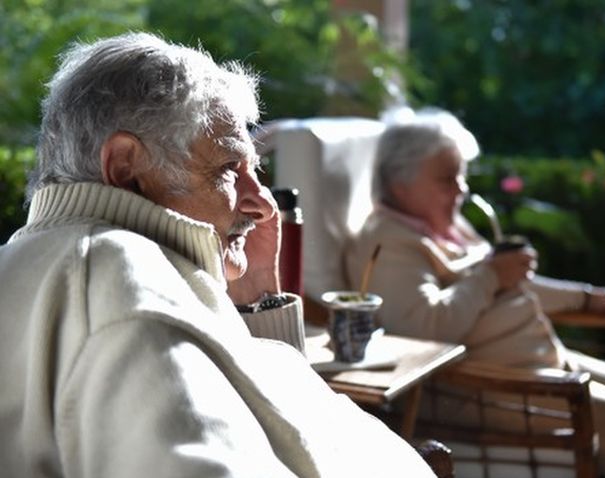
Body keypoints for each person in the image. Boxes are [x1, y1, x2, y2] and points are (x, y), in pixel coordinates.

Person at [0, 32, 437, 477]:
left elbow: (286, 433)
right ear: (126, 170)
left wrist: (255, 305)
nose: (264, 203)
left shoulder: (76, 267)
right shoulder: (118, 278)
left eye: (256, 170)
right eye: (229, 169)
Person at [345, 107, 605, 478]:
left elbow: (508, 280)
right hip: (502, 392)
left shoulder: (444, 225)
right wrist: (488, 276)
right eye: (446, 179)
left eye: (461, 177)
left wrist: (587, 297)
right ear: (400, 184)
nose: (462, 190)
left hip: (547, 366)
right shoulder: (388, 242)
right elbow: (422, 328)